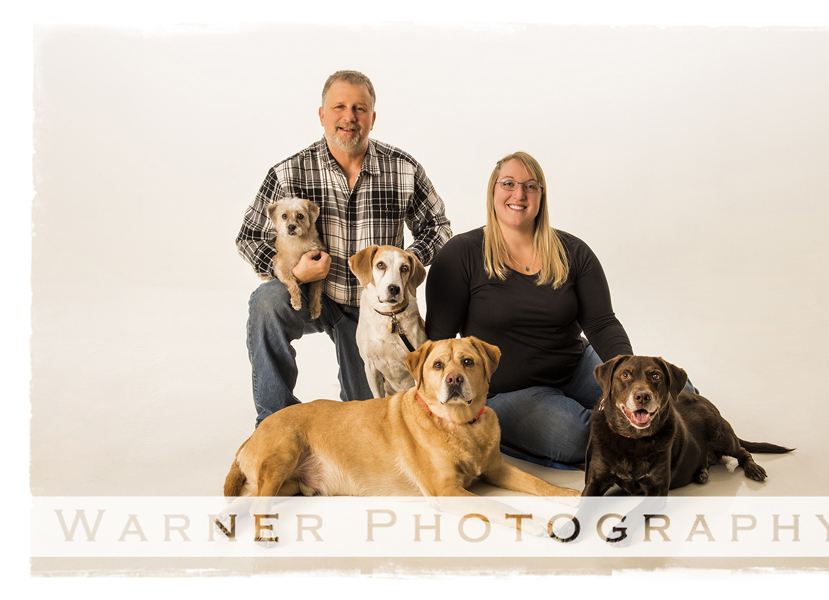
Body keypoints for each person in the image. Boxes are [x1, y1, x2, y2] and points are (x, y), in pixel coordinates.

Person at [237, 70, 451, 427]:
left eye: (359, 108)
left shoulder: (402, 169)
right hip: (313, 296)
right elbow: (249, 237)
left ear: (372, 117)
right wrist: (295, 273)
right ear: (322, 114)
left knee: (369, 418)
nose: (349, 117)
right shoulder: (289, 172)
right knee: (267, 302)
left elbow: (438, 228)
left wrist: (406, 266)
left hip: (377, 310)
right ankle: (274, 425)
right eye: (339, 107)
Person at [424, 151, 632, 469]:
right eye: (508, 183)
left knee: (672, 392)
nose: (518, 194)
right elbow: (437, 341)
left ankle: (651, 430)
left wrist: (627, 377)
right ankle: (649, 438)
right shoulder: (461, 254)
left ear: (541, 196)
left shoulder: (573, 252)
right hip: (509, 391)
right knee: (577, 436)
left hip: (574, 368)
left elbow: (602, 323)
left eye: (530, 186)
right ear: (493, 191)